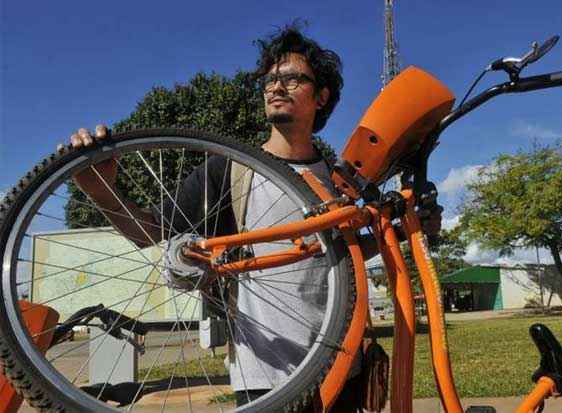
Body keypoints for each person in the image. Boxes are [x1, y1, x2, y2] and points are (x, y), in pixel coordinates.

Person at [66, 25, 442, 411]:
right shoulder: (230, 170)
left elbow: (346, 258)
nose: (276, 87)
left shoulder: (340, 180)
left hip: (344, 367)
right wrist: (100, 189)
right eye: (270, 79)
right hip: (265, 376)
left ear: (322, 96)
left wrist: (411, 228)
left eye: (293, 78)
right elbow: (147, 232)